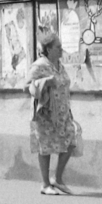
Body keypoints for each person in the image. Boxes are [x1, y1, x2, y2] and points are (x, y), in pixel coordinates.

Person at [27, 31, 79, 194]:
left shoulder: (59, 65)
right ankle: (44, 184)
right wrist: (44, 81)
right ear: (48, 49)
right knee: (46, 146)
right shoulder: (40, 65)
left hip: (62, 113)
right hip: (46, 113)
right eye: (58, 47)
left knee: (71, 140)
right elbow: (26, 85)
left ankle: (57, 179)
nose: (61, 50)